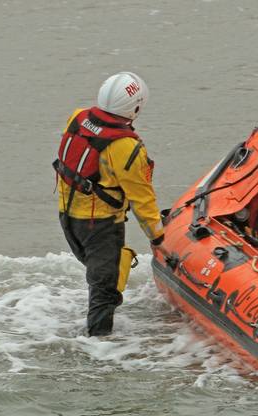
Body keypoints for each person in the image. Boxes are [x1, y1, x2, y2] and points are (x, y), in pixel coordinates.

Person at [53, 72, 164, 336]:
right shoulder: (126, 148)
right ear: (135, 107)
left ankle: (98, 336)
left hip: (68, 218)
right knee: (105, 290)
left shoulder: (77, 118)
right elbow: (142, 198)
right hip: (100, 225)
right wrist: (158, 237)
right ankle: (97, 347)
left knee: (101, 278)